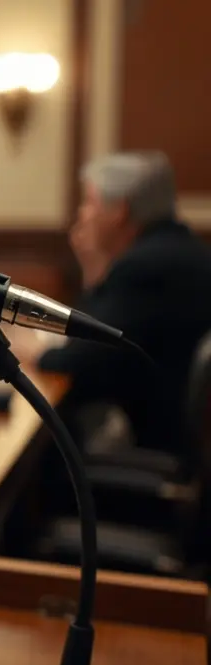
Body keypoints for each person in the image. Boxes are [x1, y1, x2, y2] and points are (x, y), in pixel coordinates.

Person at [16, 152, 211, 456]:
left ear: (119, 211)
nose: (82, 214)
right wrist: (94, 269)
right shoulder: (175, 249)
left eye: (89, 202)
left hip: (156, 447)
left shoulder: (146, 267)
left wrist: (37, 354)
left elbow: (80, 363)